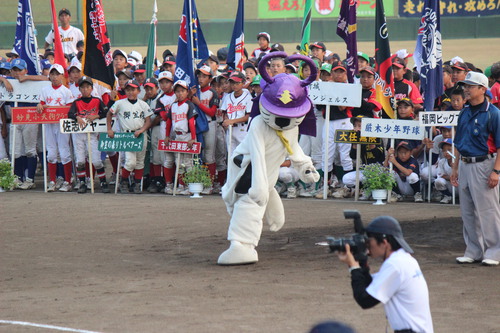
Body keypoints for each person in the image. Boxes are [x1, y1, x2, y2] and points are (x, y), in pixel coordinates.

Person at [337, 215, 434, 333]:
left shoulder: (395, 265)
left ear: (384, 242)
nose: (367, 245)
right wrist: (361, 261)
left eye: (369, 240)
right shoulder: (405, 259)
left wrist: (353, 267)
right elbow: (371, 286)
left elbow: (365, 300)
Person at [451, 71, 500, 266]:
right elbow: (458, 141)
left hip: (484, 164)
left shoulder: (493, 113)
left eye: (470, 86)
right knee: (468, 211)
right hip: (464, 163)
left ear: (482, 89)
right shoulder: (464, 112)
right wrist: (454, 167)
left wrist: (496, 171)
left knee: (488, 210)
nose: (466, 89)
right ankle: (473, 250)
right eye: (465, 86)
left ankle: (495, 251)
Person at [107, 79, 152, 194]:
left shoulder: (143, 104)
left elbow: (148, 121)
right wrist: (109, 129)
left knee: (140, 161)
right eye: (128, 90)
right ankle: (124, 181)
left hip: (140, 134)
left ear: (138, 90)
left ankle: (137, 184)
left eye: (133, 89)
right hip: (127, 135)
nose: (130, 92)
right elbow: (109, 113)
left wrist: (142, 130)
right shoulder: (120, 103)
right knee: (130, 162)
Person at [67, 76, 110, 193]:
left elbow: (106, 112)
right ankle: (82, 183)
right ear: (79, 89)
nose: (85, 89)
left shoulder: (97, 101)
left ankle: (103, 182)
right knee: (80, 160)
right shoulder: (77, 102)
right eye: (83, 87)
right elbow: (69, 114)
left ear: (92, 88)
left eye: (87, 87)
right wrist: (77, 117)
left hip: (92, 133)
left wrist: (97, 116)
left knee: (96, 160)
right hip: (79, 134)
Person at [37, 64, 75, 192]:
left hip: (62, 125)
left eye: (57, 74)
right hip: (49, 124)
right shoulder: (45, 90)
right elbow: (41, 103)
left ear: (62, 75)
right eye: (52, 74)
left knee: (64, 153)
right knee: (51, 153)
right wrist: (40, 106)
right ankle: (52, 180)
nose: (54, 77)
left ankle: (67, 181)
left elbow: (70, 110)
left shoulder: (66, 91)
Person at [164, 80, 198, 195]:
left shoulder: (189, 104)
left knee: (188, 163)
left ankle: (190, 185)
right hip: (177, 135)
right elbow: (169, 122)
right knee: (179, 162)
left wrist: (192, 138)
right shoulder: (173, 106)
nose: (180, 94)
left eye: (182, 91)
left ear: (187, 92)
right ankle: (181, 185)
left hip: (187, 135)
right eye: (177, 91)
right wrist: (167, 136)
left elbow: (191, 122)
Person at [191, 65, 219, 194]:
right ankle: (199, 182)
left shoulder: (212, 92)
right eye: (199, 76)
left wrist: (198, 103)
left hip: (209, 123)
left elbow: (212, 112)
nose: (201, 78)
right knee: (197, 154)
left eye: (204, 76)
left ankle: (210, 184)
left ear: (210, 78)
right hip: (196, 125)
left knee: (209, 155)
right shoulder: (194, 91)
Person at [221, 72, 252, 153]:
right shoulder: (228, 97)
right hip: (230, 129)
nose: (234, 85)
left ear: (243, 83)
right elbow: (224, 112)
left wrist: (232, 121)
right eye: (232, 83)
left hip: (242, 129)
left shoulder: (248, 97)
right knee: (231, 156)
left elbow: (248, 116)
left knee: (243, 155)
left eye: (237, 83)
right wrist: (226, 120)